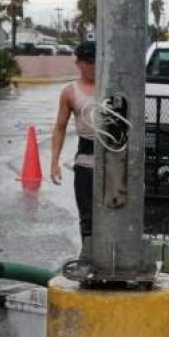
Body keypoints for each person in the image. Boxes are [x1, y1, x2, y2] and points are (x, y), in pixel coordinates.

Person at [50, 41, 97, 252]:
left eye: (96, 61)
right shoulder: (70, 92)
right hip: (86, 160)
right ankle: (88, 254)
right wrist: (54, 162)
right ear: (78, 63)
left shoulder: (113, 86)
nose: (93, 66)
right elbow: (60, 127)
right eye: (88, 62)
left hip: (113, 159)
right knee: (87, 216)